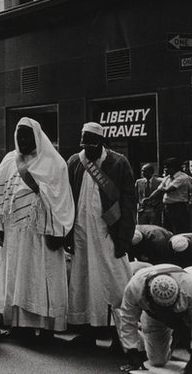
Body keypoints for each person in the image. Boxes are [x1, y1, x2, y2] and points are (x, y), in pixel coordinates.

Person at [0, 117, 74, 335]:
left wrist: (58, 231)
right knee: (17, 276)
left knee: (41, 277)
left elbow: (62, 200)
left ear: (38, 136)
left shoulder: (55, 163)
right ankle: (19, 325)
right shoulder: (9, 160)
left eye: (27, 135)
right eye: (19, 135)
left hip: (43, 234)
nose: (22, 140)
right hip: (15, 233)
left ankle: (45, 328)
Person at [66, 122, 137, 344]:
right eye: (84, 142)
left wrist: (124, 237)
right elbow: (66, 199)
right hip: (80, 231)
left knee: (116, 281)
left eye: (92, 143)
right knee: (83, 279)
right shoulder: (75, 162)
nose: (87, 147)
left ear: (101, 142)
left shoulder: (118, 162)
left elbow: (128, 202)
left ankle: (120, 334)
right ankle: (88, 329)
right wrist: (67, 234)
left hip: (109, 232)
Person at [118, 263, 192, 374]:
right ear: (148, 295)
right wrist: (132, 350)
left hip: (185, 316)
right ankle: (171, 338)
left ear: (178, 293)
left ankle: (180, 334)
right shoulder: (135, 288)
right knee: (157, 361)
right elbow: (127, 320)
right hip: (154, 316)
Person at [150, 158, 192, 234]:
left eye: (166, 167)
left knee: (179, 230)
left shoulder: (182, 178)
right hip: (167, 207)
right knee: (167, 230)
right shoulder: (167, 178)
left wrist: (161, 189)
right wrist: (149, 198)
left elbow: (168, 189)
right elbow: (158, 190)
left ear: (173, 168)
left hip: (178, 208)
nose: (165, 169)